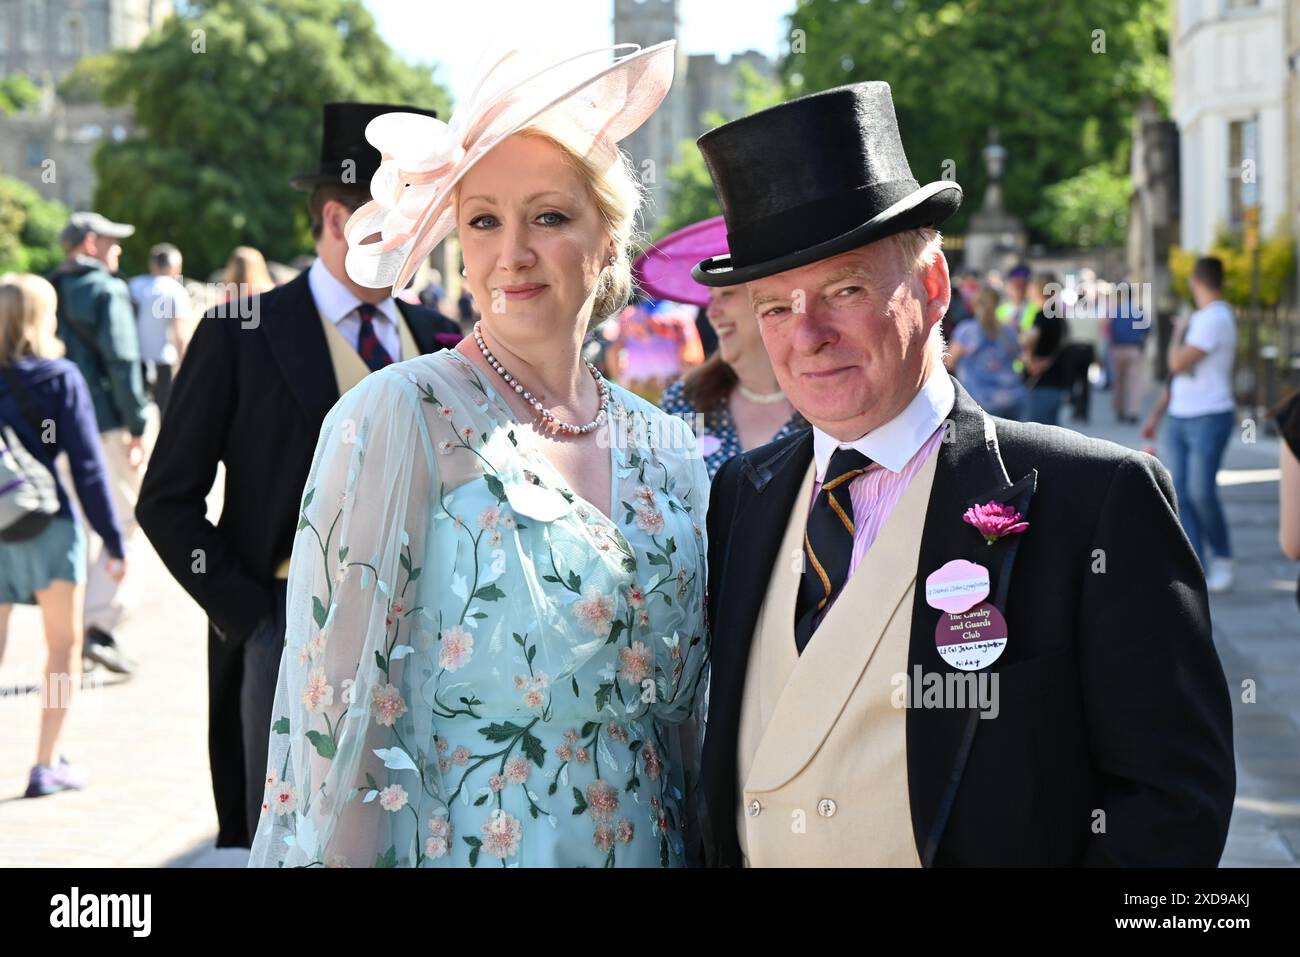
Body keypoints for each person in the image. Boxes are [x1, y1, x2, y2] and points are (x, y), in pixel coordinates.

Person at [690, 81, 1234, 867]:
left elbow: (1173, 808)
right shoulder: (741, 493)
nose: (805, 335)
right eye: (775, 306)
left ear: (933, 287)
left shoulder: (1097, 501)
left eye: (845, 289)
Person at [247, 40, 710, 869]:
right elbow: (343, 730)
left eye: (551, 216)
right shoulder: (399, 415)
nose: (513, 252)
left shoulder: (668, 443)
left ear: (608, 239)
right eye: (484, 220)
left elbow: (686, 729)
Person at [136, 101, 464, 850]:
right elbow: (166, 500)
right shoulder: (239, 333)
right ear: (338, 217)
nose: (415, 237)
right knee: (297, 844)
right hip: (289, 631)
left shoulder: (443, 338)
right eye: (398, 215)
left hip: (436, 635)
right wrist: (253, 622)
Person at [0, 274, 127, 796]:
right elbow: (89, 467)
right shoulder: (59, 377)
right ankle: (45, 764)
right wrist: (113, 539)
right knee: (62, 647)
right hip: (49, 524)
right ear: (40, 318)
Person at [49, 210, 149, 677]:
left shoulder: (47, 289)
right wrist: (136, 425)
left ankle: (69, 630)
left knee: (74, 526)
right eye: (112, 241)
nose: (118, 249)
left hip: (51, 429)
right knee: (121, 519)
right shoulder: (107, 290)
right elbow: (124, 361)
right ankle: (100, 628)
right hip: (104, 425)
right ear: (90, 243)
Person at [644, 216, 806, 478]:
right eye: (711, 300)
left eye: (727, 295)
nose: (712, 313)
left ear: (772, 302)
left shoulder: (823, 394)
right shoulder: (685, 402)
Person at [1141, 257, 1237, 591]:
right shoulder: (1202, 317)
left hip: (1209, 416)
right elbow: (1178, 379)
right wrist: (1156, 415)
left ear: (1197, 282)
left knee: (1201, 491)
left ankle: (1222, 557)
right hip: (1181, 415)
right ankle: (1197, 564)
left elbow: (1178, 362)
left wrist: (1176, 334)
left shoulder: (1216, 318)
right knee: (1183, 493)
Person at [129, 243, 191, 416]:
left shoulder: (134, 285)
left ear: (152, 264)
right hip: (164, 362)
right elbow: (181, 334)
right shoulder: (176, 291)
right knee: (168, 416)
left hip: (136, 361)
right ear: (175, 267)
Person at [944, 286, 1024, 419]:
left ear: (974, 304)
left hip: (979, 402)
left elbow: (949, 362)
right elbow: (1019, 356)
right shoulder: (1009, 331)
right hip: (1013, 398)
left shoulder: (966, 331)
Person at [1019, 272, 1069, 424]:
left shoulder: (1042, 315)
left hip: (1041, 382)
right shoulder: (1057, 315)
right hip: (1055, 380)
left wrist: (1027, 358)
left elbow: (1030, 338)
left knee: (1037, 436)